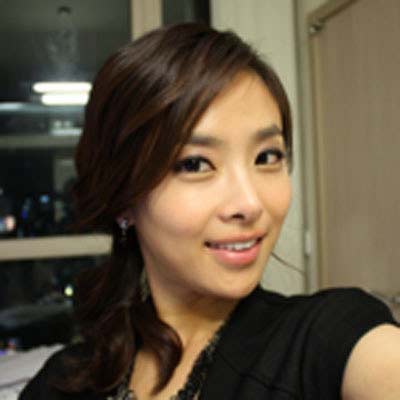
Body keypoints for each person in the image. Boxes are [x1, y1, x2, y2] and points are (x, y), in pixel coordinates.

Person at [19, 23, 400, 400]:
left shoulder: (325, 340)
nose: (249, 204)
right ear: (123, 199)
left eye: (267, 157)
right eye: (195, 164)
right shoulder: (61, 383)